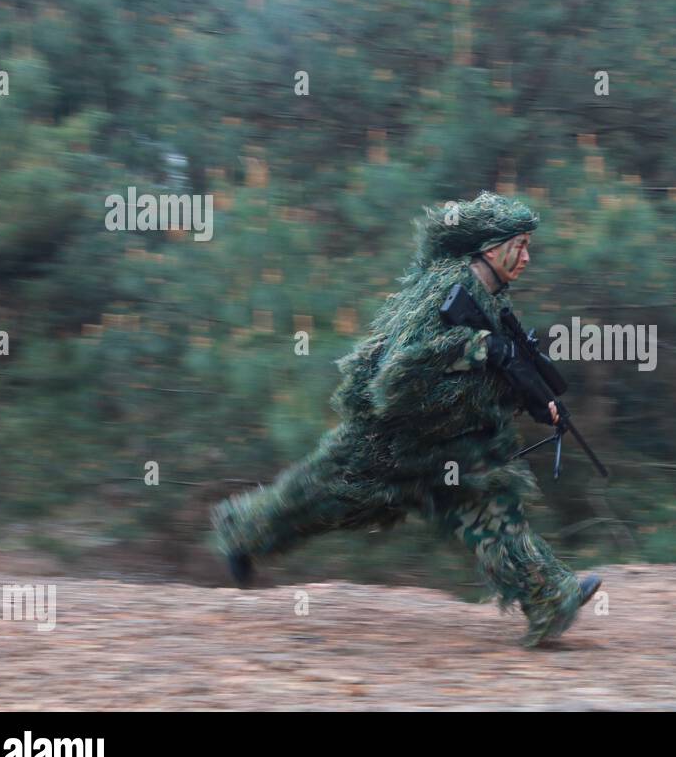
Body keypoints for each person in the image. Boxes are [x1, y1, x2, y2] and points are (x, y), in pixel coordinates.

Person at [212, 191, 599, 647]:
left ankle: (550, 599)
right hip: (386, 443)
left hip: (449, 446)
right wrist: (479, 349)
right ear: (492, 248)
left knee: (492, 506)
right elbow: (398, 375)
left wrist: (535, 400)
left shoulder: (491, 298)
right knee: (318, 500)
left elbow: (495, 367)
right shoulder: (443, 289)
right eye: (522, 244)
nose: (528, 256)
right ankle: (242, 531)